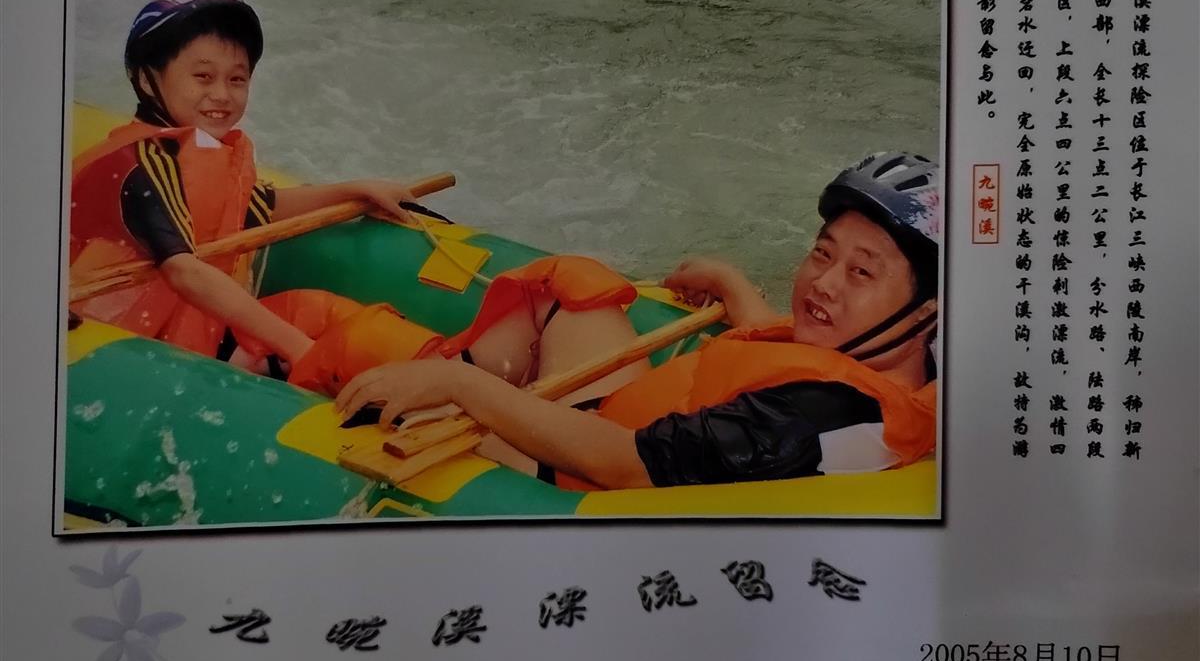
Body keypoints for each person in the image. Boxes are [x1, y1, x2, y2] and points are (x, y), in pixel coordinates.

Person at [334, 151, 941, 490]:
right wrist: (733, 284)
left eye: (862, 273)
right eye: (823, 253)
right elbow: (781, 349)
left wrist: (463, 388)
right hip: (624, 420)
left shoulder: (819, 418)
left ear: (929, 311)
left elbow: (623, 462)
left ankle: (336, 362)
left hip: (582, 473)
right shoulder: (900, 365)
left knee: (380, 410)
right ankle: (446, 364)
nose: (825, 282)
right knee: (569, 284)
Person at [69, 0, 423, 367]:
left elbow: (260, 207)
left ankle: (449, 367)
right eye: (203, 77)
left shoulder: (195, 151)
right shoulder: (139, 163)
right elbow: (184, 271)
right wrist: (300, 349)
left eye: (236, 79)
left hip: (197, 329)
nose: (222, 94)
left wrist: (355, 191)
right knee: (302, 337)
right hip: (127, 350)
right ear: (146, 78)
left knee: (322, 311)